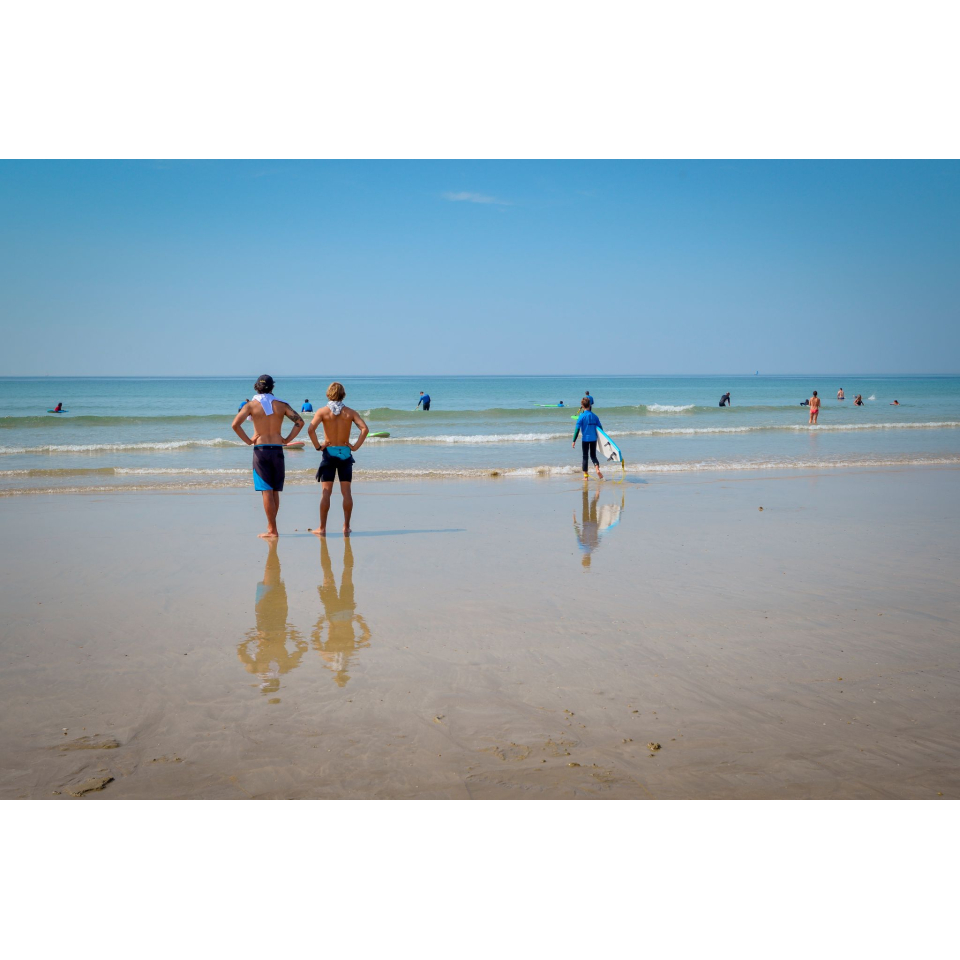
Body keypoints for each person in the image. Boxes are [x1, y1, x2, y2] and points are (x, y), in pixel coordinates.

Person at [232, 375, 304, 539]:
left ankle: (272, 529)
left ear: (256, 387)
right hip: (277, 449)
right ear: (273, 387)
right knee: (275, 491)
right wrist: (287, 439)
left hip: (261, 450)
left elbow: (235, 425)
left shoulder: (251, 405)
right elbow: (299, 422)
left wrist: (249, 441)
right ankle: (272, 526)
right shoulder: (282, 405)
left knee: (266, 491)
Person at [236, 540, 307, 698]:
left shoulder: (256, 668)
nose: (269, 675)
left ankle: (272, 547)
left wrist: (251, 637)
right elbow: (302, 648)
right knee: (274, 580)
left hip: (266, 622)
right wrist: (292, 633)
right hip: (276, 623)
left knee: (271, 579)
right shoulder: (283, 666)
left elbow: (240, 650)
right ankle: (272, 548)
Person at [308, 381, 369, 537]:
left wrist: (318, 446)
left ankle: (322, 528)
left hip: (329, 453)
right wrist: (354, 447)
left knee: (326, 492)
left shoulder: (322, 412)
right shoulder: (350, 412)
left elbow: (310, 429)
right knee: (346, 492)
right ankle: (346, 527)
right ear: (343, 395)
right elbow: (365, 429)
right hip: (345, 454)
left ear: (328, 394)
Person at [312, 537, 371, 687]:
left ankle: (330, 546)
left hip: (346, 613)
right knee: (328, 576)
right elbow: (316, 641)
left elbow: (366, 637)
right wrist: (321, 622)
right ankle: (335, 546)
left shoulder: (348, 654)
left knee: (346, 576)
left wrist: (358, 620)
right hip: (334, 614)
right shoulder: (332, 655)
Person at [572, 397, 604, 480]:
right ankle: (597, 469)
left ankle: (586, 477)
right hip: (594, 439)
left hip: (585, 439)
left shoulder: (581, 417)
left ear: (582, 406)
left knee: (585, 457)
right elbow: (600, 429)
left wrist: (574, 440)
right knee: (593, 456)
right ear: (590, 405)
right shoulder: (595, 416)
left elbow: (577, 430)